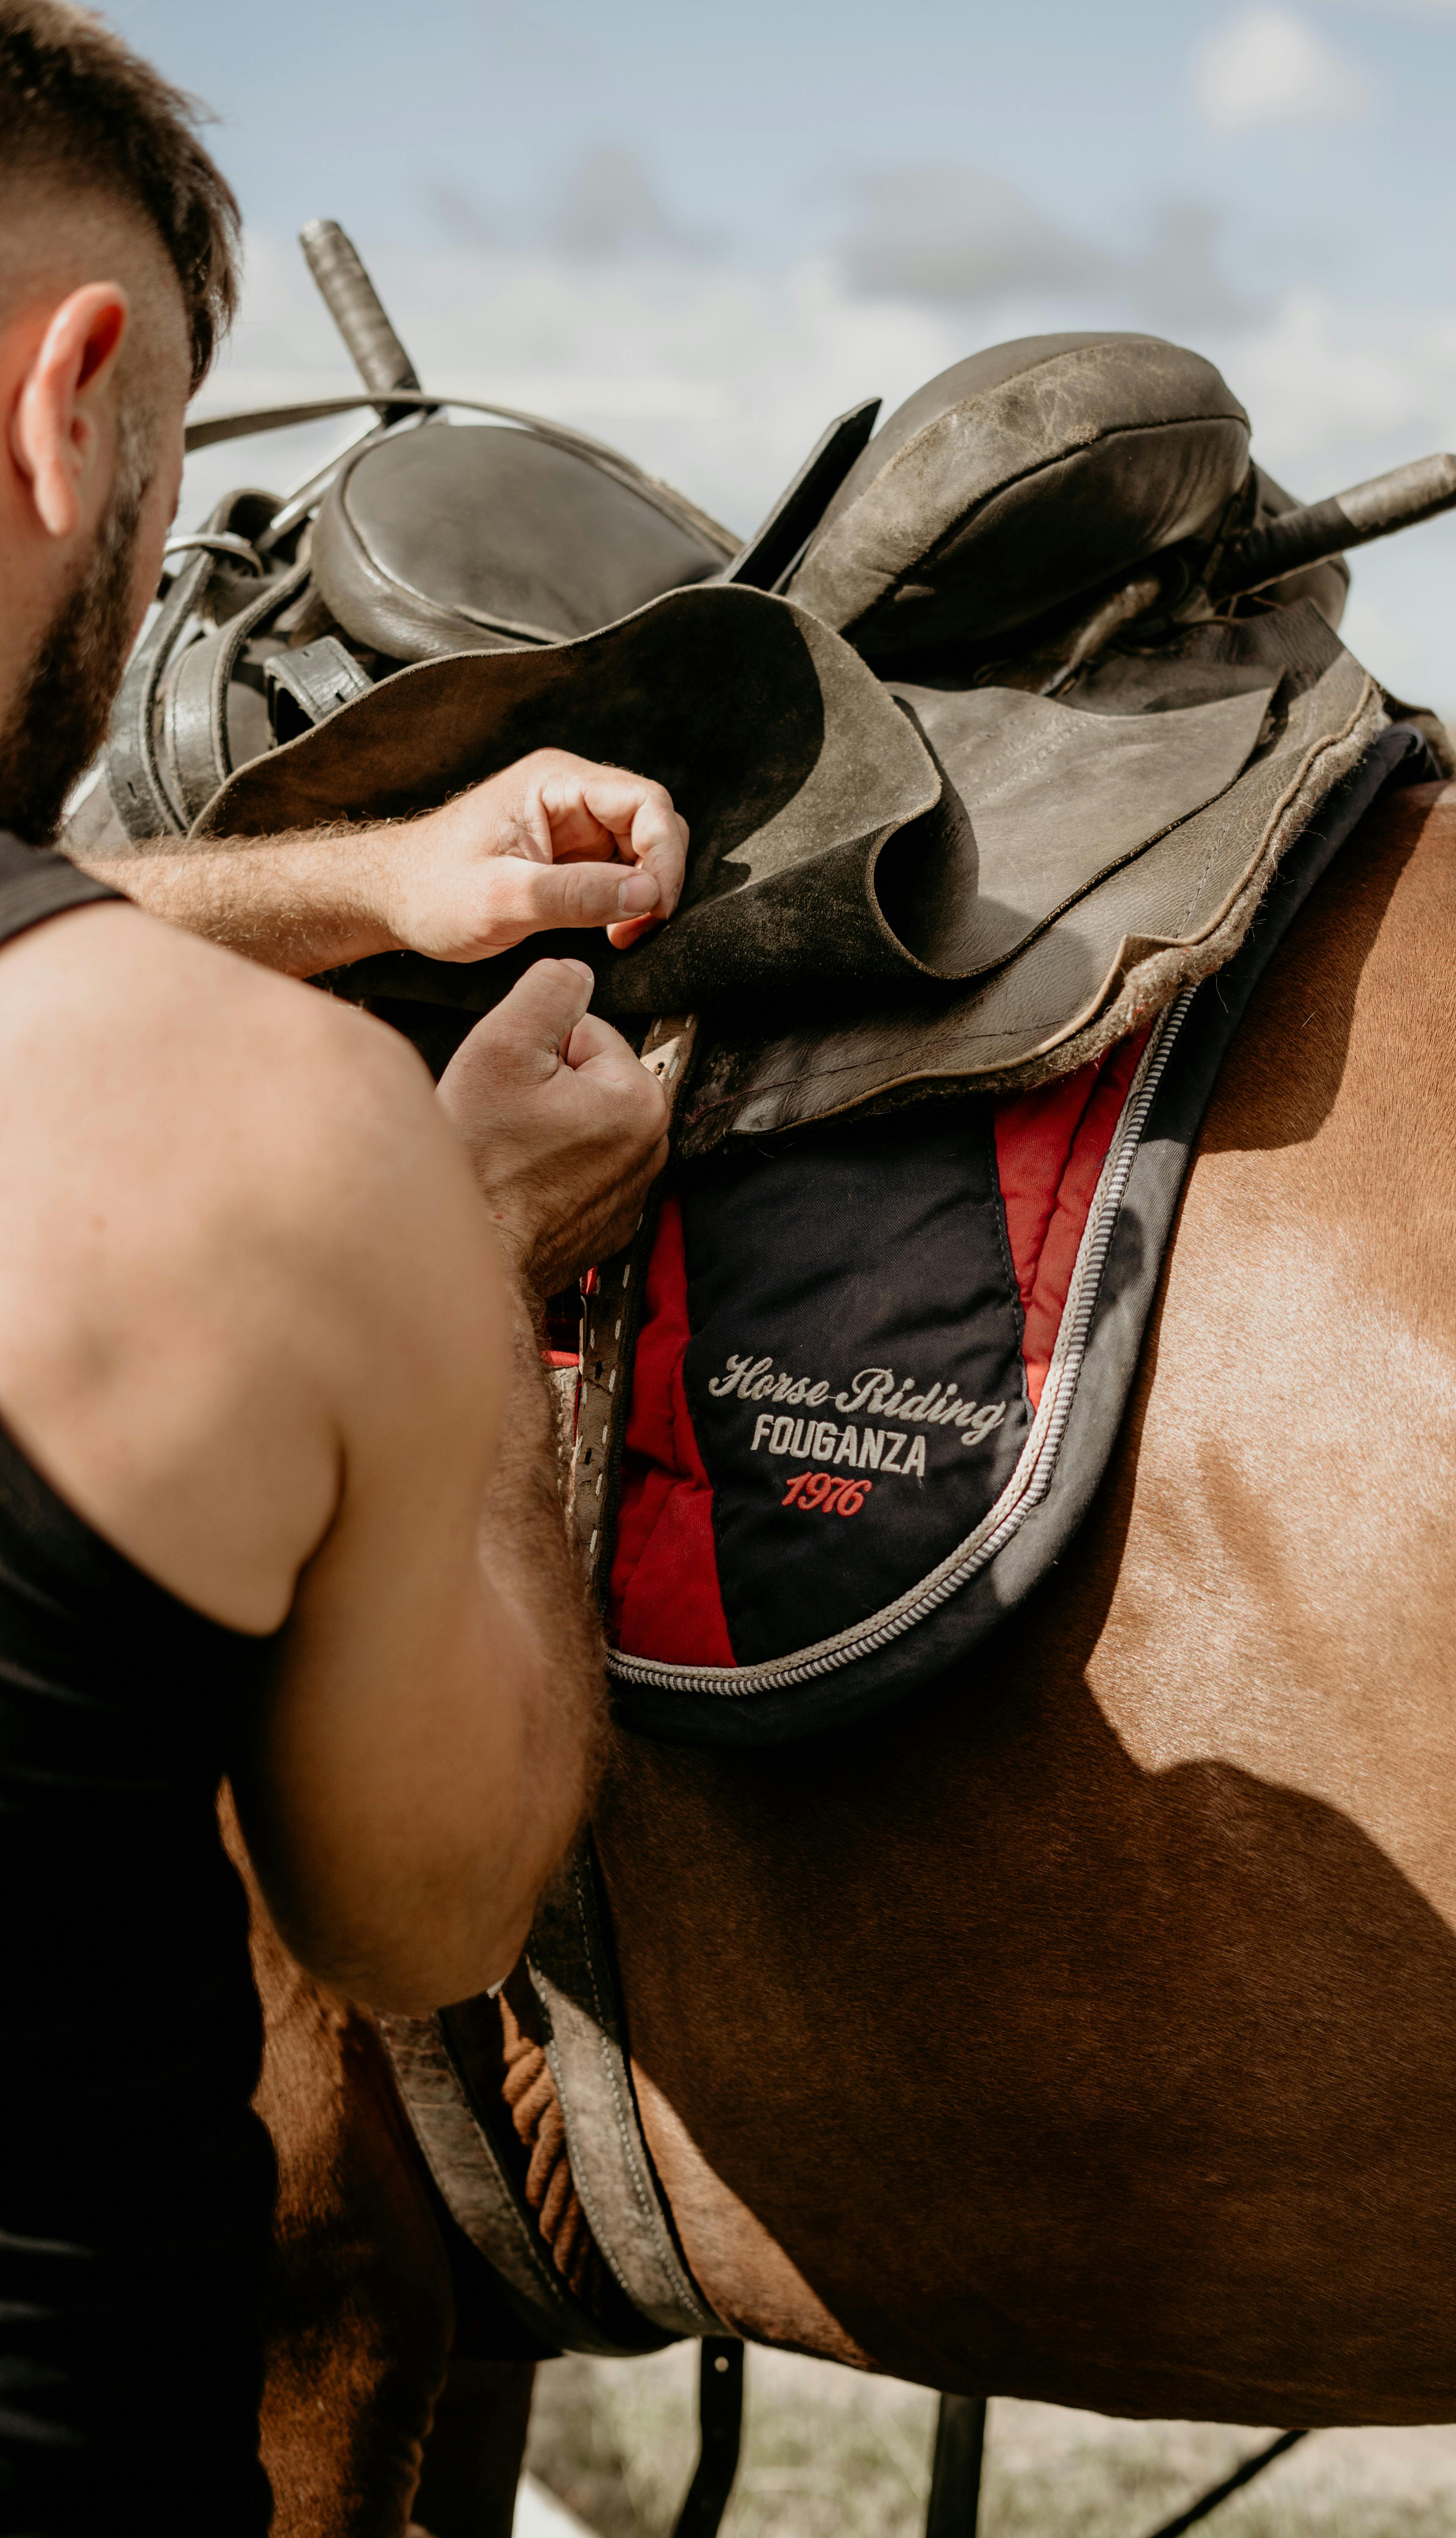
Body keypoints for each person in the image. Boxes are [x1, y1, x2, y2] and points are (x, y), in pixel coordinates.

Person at [0, 5, 685, 2529]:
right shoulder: (281, 1156)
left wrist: (371, 881)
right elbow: (422, 1916)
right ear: (77, 407)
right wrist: (460, 1245)